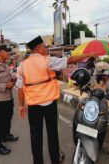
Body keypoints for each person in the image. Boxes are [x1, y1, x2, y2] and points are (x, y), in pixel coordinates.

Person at [16, 36, 97, 164]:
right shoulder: (48, 61)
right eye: (43, 46)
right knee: (52, 134)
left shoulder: (22, 66)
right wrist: (89, 54)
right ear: (38, 48)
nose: (45, 48)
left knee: (35, 136)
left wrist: (21, 105)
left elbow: (20, 88)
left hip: (33, 106)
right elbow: (70, 60)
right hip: (49, 104)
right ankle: (55, 160)